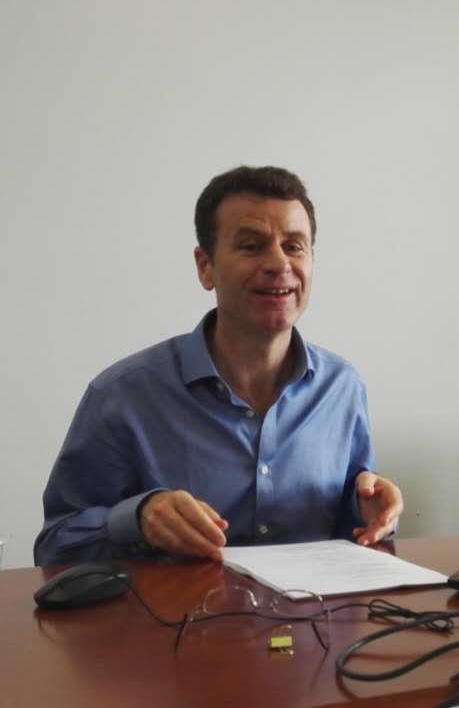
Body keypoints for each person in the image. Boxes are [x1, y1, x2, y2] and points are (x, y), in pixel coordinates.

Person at [34, 166, 403, 566]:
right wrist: (137, 520)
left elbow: (352, 526)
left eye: (294, 246)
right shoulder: (124, 395)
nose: (279, 263)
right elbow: (55, 546)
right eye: (252, 246)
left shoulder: (341, 388)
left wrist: (368, 510)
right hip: (179, 608)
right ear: (205, 266)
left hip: (312, 608)